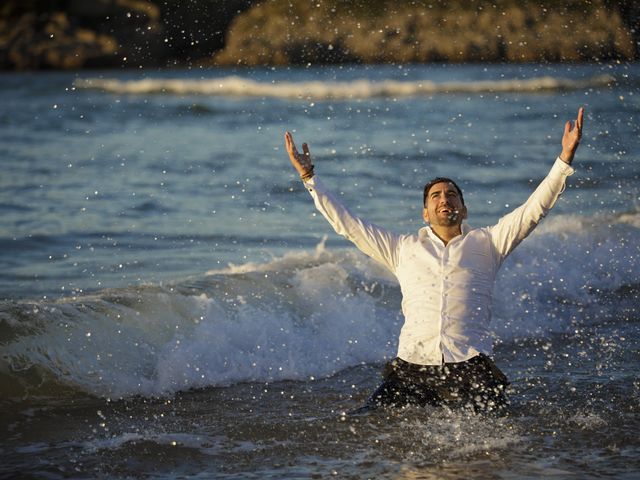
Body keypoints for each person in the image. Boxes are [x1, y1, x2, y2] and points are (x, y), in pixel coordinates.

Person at [284, 107, 584, 413]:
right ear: (425, 213)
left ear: (463, 210)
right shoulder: (401, 248)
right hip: (413, 366)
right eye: (436, 196)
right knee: (369, 422)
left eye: (452, 194)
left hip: (470, 365)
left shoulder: (489, 242)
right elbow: (348, 224)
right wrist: (309, 177)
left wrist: (564, 160)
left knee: (503, 427)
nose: (444, 198)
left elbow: (534, 209)